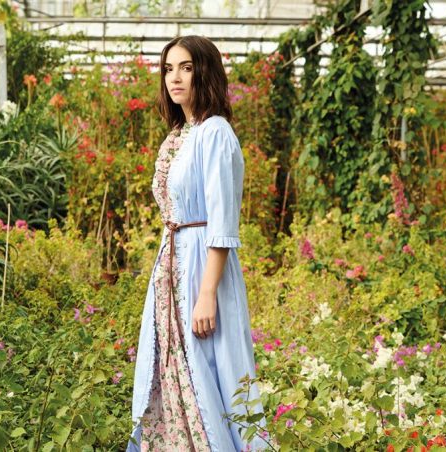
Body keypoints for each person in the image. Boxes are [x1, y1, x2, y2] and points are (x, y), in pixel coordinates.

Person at [127, 35, 265, 451]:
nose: (175, 78)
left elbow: (222, 222)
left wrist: (207, 294)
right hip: (174, 264)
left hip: (204, 269)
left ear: (205, 73)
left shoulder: (215, 132)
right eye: (168, 69)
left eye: (186, 68)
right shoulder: (180, 134)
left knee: (211, 371)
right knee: (175, 368)